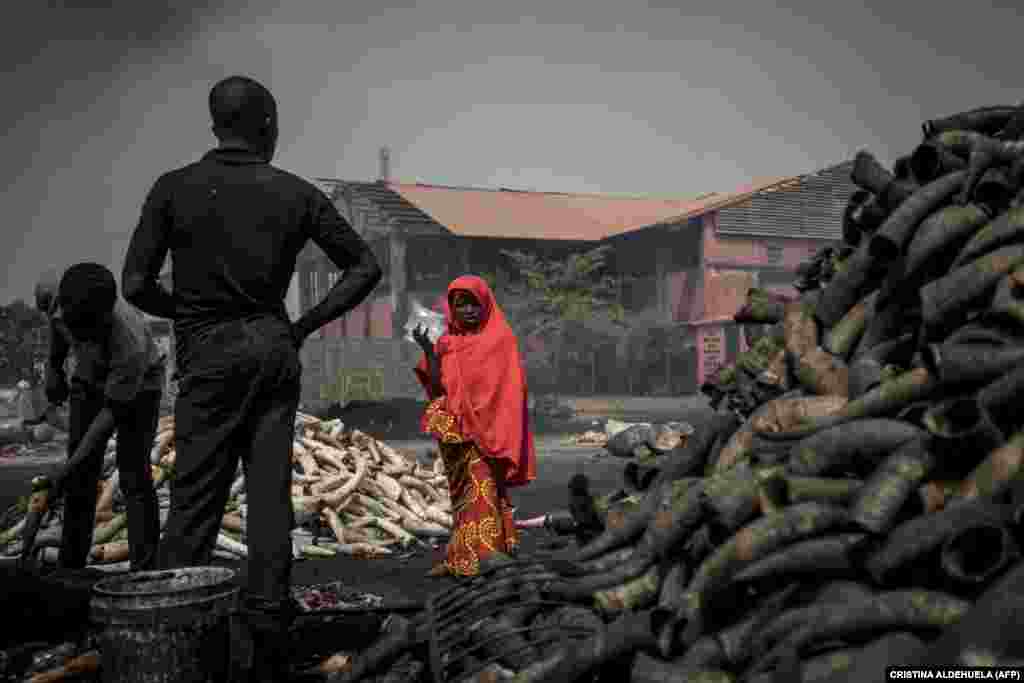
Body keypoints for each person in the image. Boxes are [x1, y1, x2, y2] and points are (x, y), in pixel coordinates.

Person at [121, 74, 382, 681]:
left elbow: (134, 285)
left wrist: (187, 311)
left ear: (216, 124)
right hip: (271, 346)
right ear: (266, 123)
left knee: (194, 499)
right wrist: (304, 323)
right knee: (269, 501)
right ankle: (267, 629)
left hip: (208, 352)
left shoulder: (173, 189)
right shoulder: (294, 193)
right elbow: (363, 267)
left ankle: (171, 629)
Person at [412, 275, 537, 578]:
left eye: (473, 304)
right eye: (460, 304)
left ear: (485, 305)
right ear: (452, 308)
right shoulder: (447, 343)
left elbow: (509, 391)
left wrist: (491, 426)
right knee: (462, 495)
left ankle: (482, 557)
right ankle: (461, 555)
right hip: (454, 431)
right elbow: (439, 387)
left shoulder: (500, 340)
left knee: (482, 490)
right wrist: (429, 351)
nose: (468, 310)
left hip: (488, 431)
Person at [43, 263, 165, 571]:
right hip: (88, 379)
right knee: (80, 480)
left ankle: (143, 571)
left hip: (141, 387)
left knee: (134, 475)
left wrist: (70, 465)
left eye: (89, 330)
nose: (81, 336)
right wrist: (54, 369)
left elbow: (109, 416)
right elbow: (55, 328)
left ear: (104, 318)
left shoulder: (130, 344)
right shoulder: (54, 293)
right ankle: (70, 566)